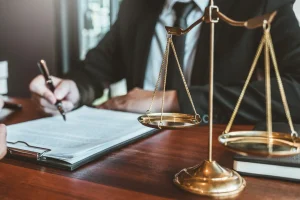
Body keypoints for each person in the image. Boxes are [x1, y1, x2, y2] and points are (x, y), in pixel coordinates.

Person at [30, 0, 300, 124]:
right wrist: (70, 90)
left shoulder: (263, 5)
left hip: (218, 158)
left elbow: (296, 91)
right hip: (135, 151)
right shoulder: (136, 6)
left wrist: (171, 100)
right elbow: (94, 70)